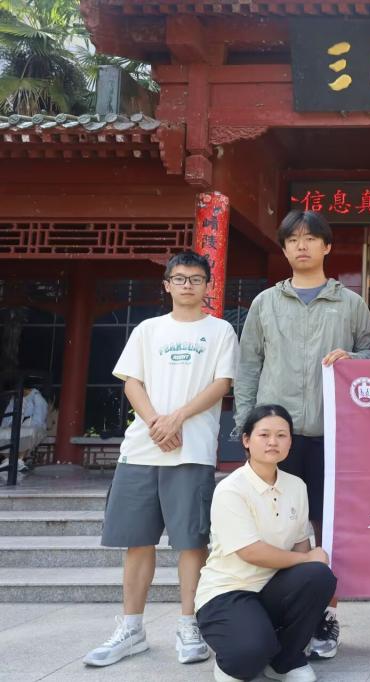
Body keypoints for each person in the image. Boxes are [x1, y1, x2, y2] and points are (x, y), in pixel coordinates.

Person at [84, 250, 239, 668]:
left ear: (208, 286)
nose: (188, 285)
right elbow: (132, 382)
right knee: (137, 540)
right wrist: (156, 422)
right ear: (167, 285)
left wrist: (177, 419)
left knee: (191, 542)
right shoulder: (148, 330)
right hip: (141, 449)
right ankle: (131, 628)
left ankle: (189, 625)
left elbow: (222, 383)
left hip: (192, 450)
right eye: (180, 278)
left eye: (196, 279)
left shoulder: (220, 330)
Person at [234, 210, 370, 659]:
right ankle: (274, 611)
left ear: (327, 246)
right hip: (275, 441)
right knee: (273, 525)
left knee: (327, 529)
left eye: (311, 238)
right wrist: (246, 425)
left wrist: (353, 359)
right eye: (293, 239)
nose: (302, 245)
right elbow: (248, 366)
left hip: (331, 434)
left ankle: (325, 615)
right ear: (283, 248)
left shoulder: (349, 303)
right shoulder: (265, 303)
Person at [196, 404, 337, 682]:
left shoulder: (296, 486)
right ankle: (233, 655)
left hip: (273, 588)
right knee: (247, 657)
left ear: (290, 442)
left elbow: (300, 543)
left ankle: (285, 661)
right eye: (264, 435)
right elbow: (252, 552)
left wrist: (309, 562)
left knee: (318, 575)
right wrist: (307, 559)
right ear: (246, 440)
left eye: (281, 435)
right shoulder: (230, 489)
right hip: (230, 591)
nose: (273, 442)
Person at [0, 385, 49, 472]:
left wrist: (27, 428)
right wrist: (4, 426)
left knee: (25, 435)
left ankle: (19, 460)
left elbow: (39, 419)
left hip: (31, 425)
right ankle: (9, 459)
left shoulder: (37, 398)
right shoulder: (15, 398)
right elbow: (8, 416)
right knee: (4, 434)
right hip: (15, 426)